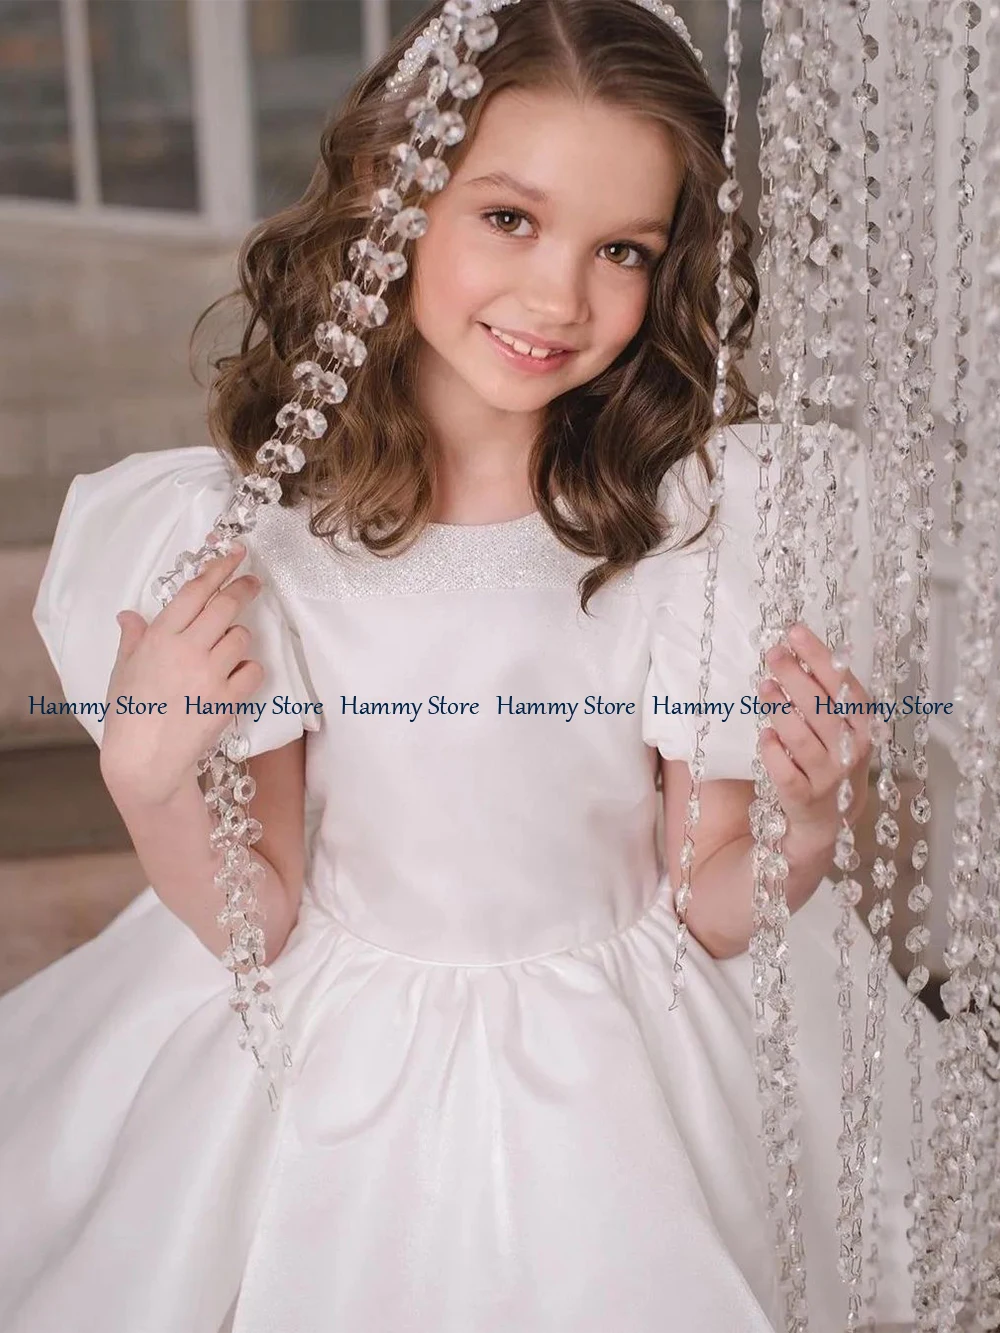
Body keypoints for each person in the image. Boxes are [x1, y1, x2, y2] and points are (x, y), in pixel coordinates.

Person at [0, 1, 934, 1329]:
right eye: (510, 218)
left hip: (631, 1046)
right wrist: (152, 779)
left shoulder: (689, 532)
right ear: (397, 199)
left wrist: (810, 810)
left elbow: (715, 908)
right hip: (339, 1051)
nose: (558, 297)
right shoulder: (266, 542)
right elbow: (255, 925)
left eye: (622, 249)